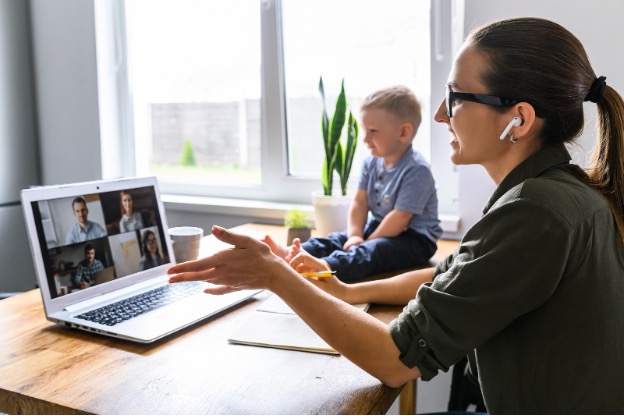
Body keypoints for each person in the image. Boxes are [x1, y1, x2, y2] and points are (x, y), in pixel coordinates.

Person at [167, 17, 624, 414]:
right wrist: (345, 291)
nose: (443, 115)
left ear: (518, 120)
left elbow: (394, 362)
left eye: (457, 96)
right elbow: (448, 273)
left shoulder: (533, 211)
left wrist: (276, 277)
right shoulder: (560, 193)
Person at [264, 86, 442, 281]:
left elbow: (400, 218)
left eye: (373, 131)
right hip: (380, 226)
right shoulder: (370, 162)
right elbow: (359, 202)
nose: (365, 138)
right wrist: (355, 235)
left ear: (403, 133)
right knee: (338, 238)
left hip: (415, 239)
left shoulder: (417, 169)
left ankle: (327, 265)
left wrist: (365, 243)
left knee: (373, 251)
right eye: (365, 130)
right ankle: (292, 253)